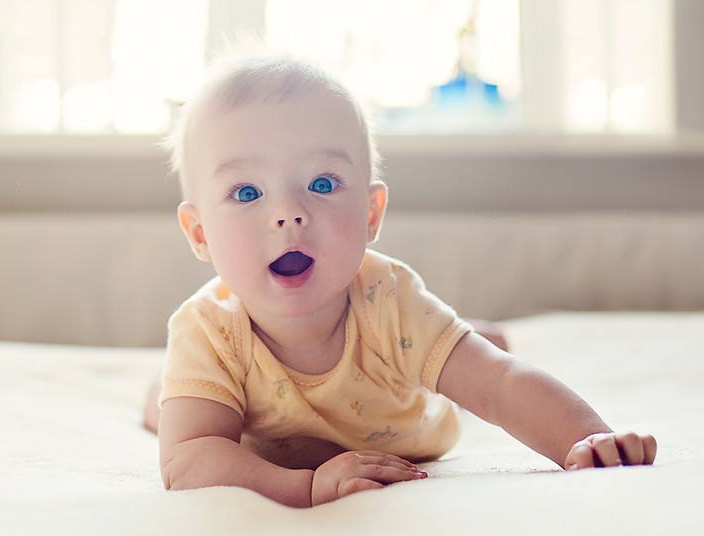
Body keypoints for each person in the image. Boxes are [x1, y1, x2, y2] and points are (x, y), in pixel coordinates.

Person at [144, 53, 656, 508]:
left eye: (322, 183)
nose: (289, 213)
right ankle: (161, 389)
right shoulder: (208, 330)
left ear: (371, 213)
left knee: (472, 361)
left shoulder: (389, 301)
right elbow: (188, 459)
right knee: (170, 406)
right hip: (243, 415)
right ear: (200, 233)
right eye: (246, 191)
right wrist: (305, 488)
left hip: (407, 411)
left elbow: (499, 386)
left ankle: (460, 340)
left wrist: (587, 440)